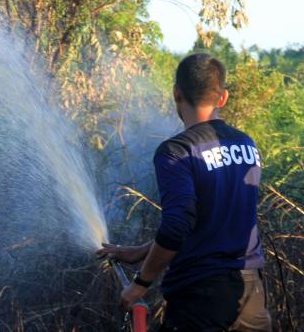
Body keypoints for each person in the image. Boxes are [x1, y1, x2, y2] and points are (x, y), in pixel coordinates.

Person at [96, 53, 271, 331]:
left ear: (177, 93)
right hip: (250, 297)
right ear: (222, 97)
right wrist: (143, 251)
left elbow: (177, 225)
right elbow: (214, 222)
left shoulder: (177, 151)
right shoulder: (247, 145)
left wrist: (140, 285)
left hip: (200, 301)